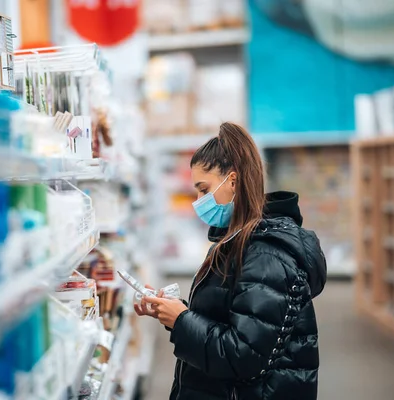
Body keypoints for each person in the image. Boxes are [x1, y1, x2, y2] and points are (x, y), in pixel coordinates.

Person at [135, 122, 327, 400]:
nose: (198, 201)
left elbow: (244, 355)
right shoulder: (237, 241)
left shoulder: (265, 255)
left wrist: (182, 321)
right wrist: (175, 312)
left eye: (204, 189)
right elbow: (234, 319)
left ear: (233, 182)